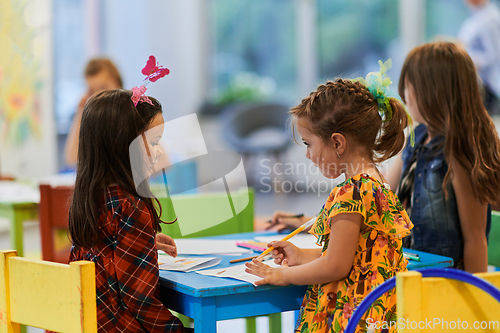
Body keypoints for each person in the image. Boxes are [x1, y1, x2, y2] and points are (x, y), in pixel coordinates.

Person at [246, 62, 414, 332]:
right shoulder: (377, 183)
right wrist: (300, 256)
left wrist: (283, 275)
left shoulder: (353, 191)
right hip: (373, 314)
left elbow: (336, 265)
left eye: (308, 144)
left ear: (337, 143)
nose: (308, 155)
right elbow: (355, 257)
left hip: (350, 317)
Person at [68, 89, 187, 332]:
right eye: (154, 142)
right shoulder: (130, 206)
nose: (160, 151)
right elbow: (139, 300)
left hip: (80, 323)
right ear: (123, 145)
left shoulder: (91, 198)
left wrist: (144, 241)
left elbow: (106, 254)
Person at [387, 42, 500, 273]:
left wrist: (473, 302)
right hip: (408, 272)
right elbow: (383, 197)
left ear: (433, 91)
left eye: (409, 86)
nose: (403, 94)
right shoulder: (414, 138)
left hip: (445, 282)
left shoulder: (459, 151)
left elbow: (475, 239)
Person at [64, 58, 123, 167]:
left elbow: (160, 160)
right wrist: (81, 112)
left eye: (104, 87)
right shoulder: (93, 118)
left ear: (118, 84)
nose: (99, 95)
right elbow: (72, 159)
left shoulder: (129, 114)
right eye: (92, 91)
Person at [458, 0, 500, 113]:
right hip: (473, 86)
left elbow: (494, 55)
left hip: (486, 89)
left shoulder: (491, 19)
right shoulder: (475, 16)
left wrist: (468, 60)